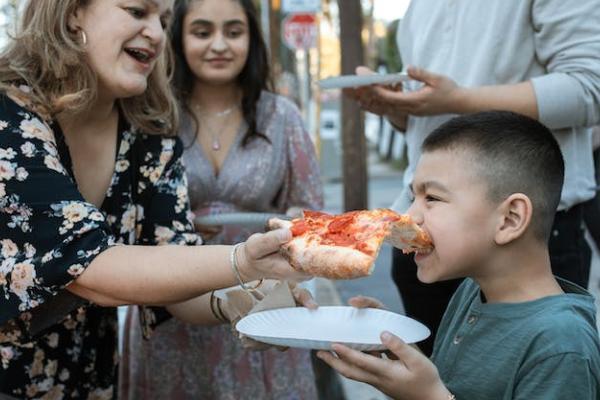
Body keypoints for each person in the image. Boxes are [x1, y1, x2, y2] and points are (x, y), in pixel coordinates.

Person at [0, 1, 310, 398]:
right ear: (72, 11)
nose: (158, 33)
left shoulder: (148, 135)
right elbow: (90, 267)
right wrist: (243, 261)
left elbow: (178, 278)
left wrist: (242, 301)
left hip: (89, 380)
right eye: (137, 11)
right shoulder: (11, 114)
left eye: (163, 20)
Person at [346, 0, 600, 356]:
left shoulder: (561, 343)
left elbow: (590, 87)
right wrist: (396, 107)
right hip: (425, 241)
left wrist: (459, 99)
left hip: (521, 238)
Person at [317, 111, 600, 400]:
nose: (407, 217)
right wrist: (405, 354)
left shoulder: (562, 346)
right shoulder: (471, 291)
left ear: (510, 220)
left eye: (433, 199)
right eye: (413, 197)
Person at [119, 0, 323, 399]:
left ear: (252, 40)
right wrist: (172, 224)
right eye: (201, 32)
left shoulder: (282, 116)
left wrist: (298, 228)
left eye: (233, 32)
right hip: (172, 306)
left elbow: (317, 225)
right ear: (177, 39)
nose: (218, 45)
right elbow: (119, 221)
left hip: (263, 305)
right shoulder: (150, 115)